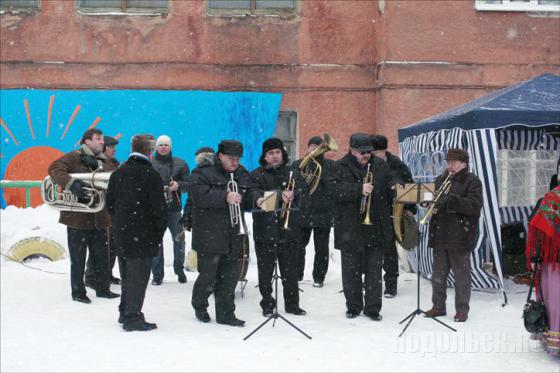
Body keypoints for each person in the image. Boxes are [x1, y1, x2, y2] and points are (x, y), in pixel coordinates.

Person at [48, 128, 119, 303]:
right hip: (77, 218)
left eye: (102, 139)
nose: (102, 142)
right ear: (87, 141)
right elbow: (54, 169)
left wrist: (99, 166)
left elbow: (114, 175)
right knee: (78, 259)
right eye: (98, 139)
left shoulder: (104, 159)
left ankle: (103, 289)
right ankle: (78, 293)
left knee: (102, 257)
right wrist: (72, 184)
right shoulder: (74, 156)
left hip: (100, 217)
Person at [106, 134, 168, 332]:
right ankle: (132, 317)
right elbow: (160, 211)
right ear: (150, 151)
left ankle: (125, 311)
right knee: (138, 279)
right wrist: (157, 234)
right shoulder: (151, 175)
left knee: (127, 276)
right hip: (143, 236)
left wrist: (120, 224)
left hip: (123, 233)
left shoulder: (119, 172)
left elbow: (109, 204)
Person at [332, 133, 394, 320]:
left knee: (374, 272)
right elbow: (335, 191)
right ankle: (353, 306)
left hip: (375, 226)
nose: (366, 155)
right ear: (352, 150)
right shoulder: (340, 166)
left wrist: (395, 186)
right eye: (362, 152)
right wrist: (359, 189)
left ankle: (373, 308)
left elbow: (391, 179)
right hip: (350, 227)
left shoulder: (380, 164)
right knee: (351, 272)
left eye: (368, 152)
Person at [190, 140, 252, 327]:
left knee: (230, 277)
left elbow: (249, 195)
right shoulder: (202, 172)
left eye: (238, 158)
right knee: (208, 276)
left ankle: (226, 313)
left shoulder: (241, 173)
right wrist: (224, 197)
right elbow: (198, 196)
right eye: (231, 158)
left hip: (233, 234)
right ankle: (199, 305)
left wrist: (257, 200)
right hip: (209, 235)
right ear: (220, 156)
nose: (235, 162)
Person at [251, 138, 309, 317]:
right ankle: (267, 304)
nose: (274, 156)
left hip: (289, 229)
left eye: (277, 152)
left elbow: (305, 194)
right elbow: (252, 195)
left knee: (290, 270)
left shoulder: (294, 173)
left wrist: (295, 194)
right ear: (265, 156)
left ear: (282, 154)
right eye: (270, 153)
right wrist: (278, 196)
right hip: (264, 230)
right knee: (265, 271)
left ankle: (292, 304)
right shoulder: (257, 174)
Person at [425, 148, 483, 323]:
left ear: (463, 164)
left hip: (460, 235)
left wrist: (451, 199)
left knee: (461, 276)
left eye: (453, 163)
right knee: (438, 275)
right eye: (448, 162)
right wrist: (428, 202)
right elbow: (434, 202)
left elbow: (474, 206)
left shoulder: (472, 181)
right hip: (440, 233)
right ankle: (438, 306)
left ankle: (462, 309)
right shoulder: (441, 179)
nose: (449, 165)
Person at [370, 135, 417, 298]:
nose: (374, 157)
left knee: (389, 251)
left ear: (384, 151)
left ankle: (391, 285)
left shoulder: (396, 164)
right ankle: (369, 281)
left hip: (392, 212)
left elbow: (409, 185)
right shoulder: (368, 164)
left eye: (377, 154)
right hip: (373, 212)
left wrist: (410, 208)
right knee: (370, 250)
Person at [293, 136, 336, 288]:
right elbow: (296, 185)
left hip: (323, 211)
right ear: (308, 147)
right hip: (303, 210)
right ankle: (297, 275)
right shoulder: (297, 164)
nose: (315, 148)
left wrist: (321, 166)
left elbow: (331, 186)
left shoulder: (330, 165)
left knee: (322, 248)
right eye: (312, 146)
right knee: (299, 245)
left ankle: (319, 278)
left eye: (318, 146)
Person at [525, 174, 559, 357]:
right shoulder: (550, 200)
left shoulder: (550, 200)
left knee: (554, 303)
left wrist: (534, 256)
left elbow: (536, 231)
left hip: (553, 262)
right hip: (553, 260)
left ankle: (553, 340)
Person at [151, 135, 190, 285]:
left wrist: (178, 185)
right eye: (160, 144)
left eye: (166, 145)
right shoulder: (149, 163)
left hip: (174, 209)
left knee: (179, 240)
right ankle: (157, 275)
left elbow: (190, 184)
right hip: (155, 210)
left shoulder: (181, 163)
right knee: (155, 242)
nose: (163, 147)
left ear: (171, 147)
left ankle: (179, 270)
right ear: (156, 147)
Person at [85, 135, 121, 287]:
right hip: (101, 210)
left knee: (112, 245)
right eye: (112, 147)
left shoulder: (115, 162)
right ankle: (91, 276)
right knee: (99, 246)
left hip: (113, 210)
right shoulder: (97, 163)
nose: (114, 150)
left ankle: (107, 272)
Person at [181, 146, 215, 272]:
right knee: (214, 249)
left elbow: (191, 198)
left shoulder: (196, 173)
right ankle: (212, 274)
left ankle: (204, 273)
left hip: (199, 216)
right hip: (217, 218)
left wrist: (187, 218)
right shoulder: (220, 172)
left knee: (200, 247)